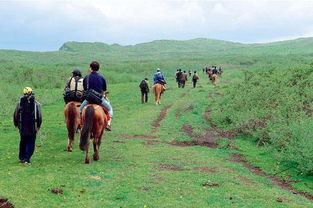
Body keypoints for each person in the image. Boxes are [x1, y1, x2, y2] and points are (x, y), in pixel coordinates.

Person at [79, 61, 113, 131]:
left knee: (80, 110)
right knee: (110, 109)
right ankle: (108, 124)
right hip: (99, 99)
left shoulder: (86, 77)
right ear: (98, 68)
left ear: (91, 68)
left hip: (89, 99)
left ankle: (80, 124)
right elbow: (104, 91)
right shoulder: (102, 77)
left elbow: (85, 89)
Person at [13, 87, 42, 164]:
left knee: (23, 141)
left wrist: (16, 124)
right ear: (31, 93)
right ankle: (27, 159)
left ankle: (21, 157)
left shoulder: (19, 103)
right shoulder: (36, 104)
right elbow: (39, 116)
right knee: (31, 142)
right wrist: (38, 126)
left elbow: (15, 114)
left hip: (22, 127)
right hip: (32, 127)